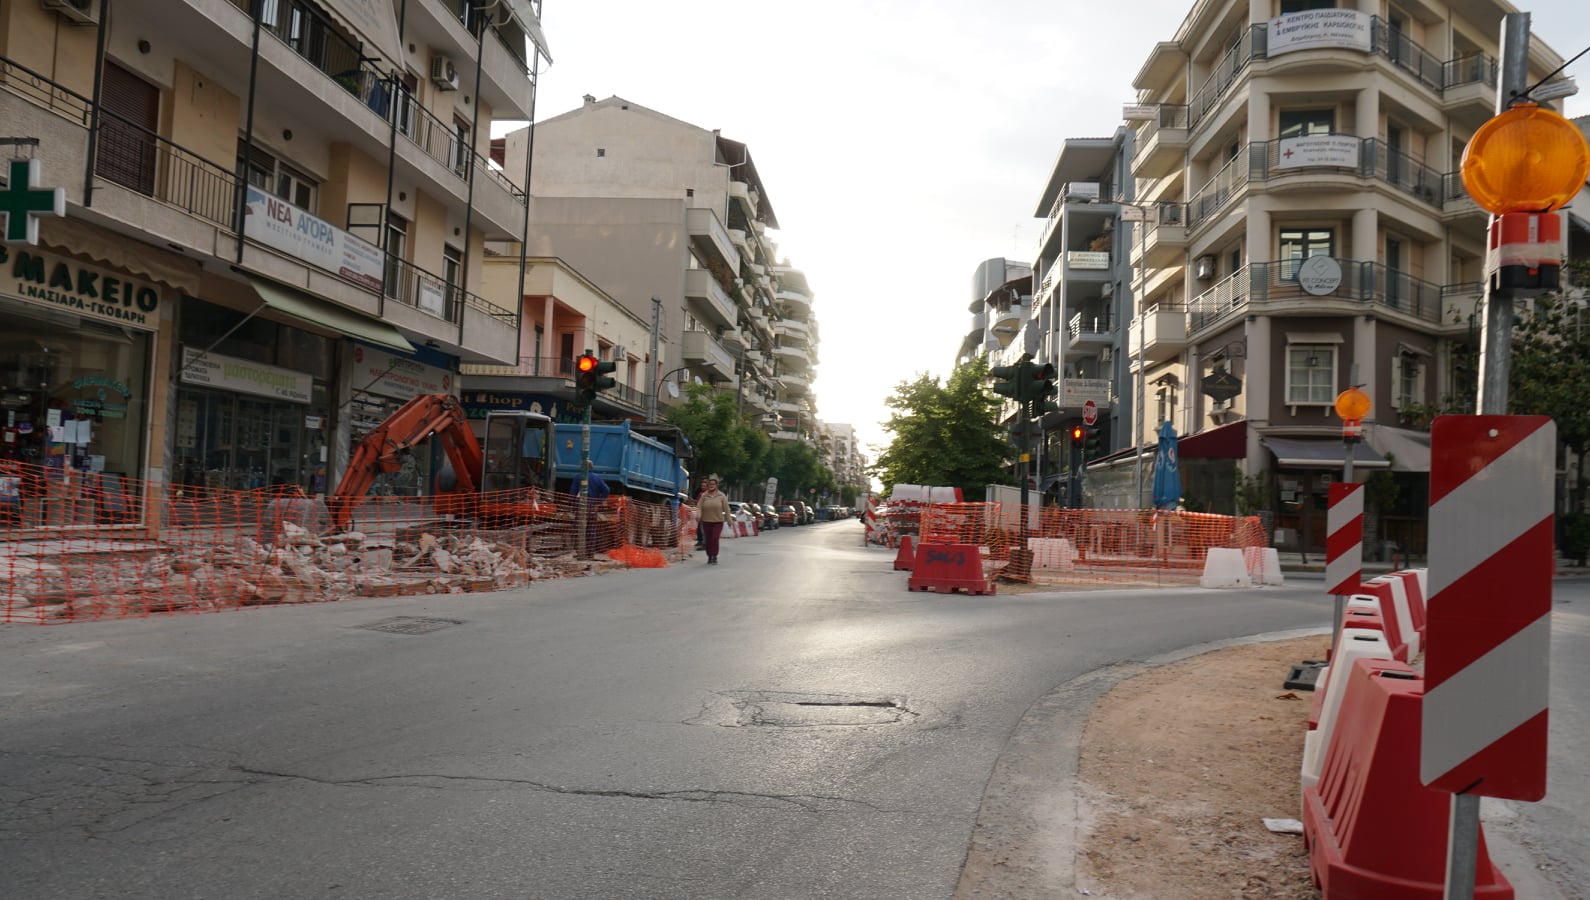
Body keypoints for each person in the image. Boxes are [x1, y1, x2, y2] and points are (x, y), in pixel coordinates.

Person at [696, 475, 730, 565]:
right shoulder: (704, 495)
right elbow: (699, 506)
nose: (711, 486)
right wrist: (698, 515)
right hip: (706, 521)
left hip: (718, 521)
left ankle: (714, 556)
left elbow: (726, 508)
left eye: (713, 484)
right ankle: (709, 556)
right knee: (708, 540)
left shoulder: (721, 496)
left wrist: (729, 520)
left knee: (715, 538)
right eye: (710, 484)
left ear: (716, 485)